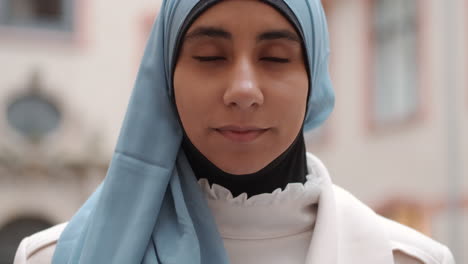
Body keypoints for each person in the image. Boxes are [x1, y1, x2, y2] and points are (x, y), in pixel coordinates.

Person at [14, 0, 455, 263]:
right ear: (165, 80)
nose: (243, 91)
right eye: (209, 56)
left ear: (314, 80)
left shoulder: (408, 260)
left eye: (276, 58)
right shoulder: (53, 258)